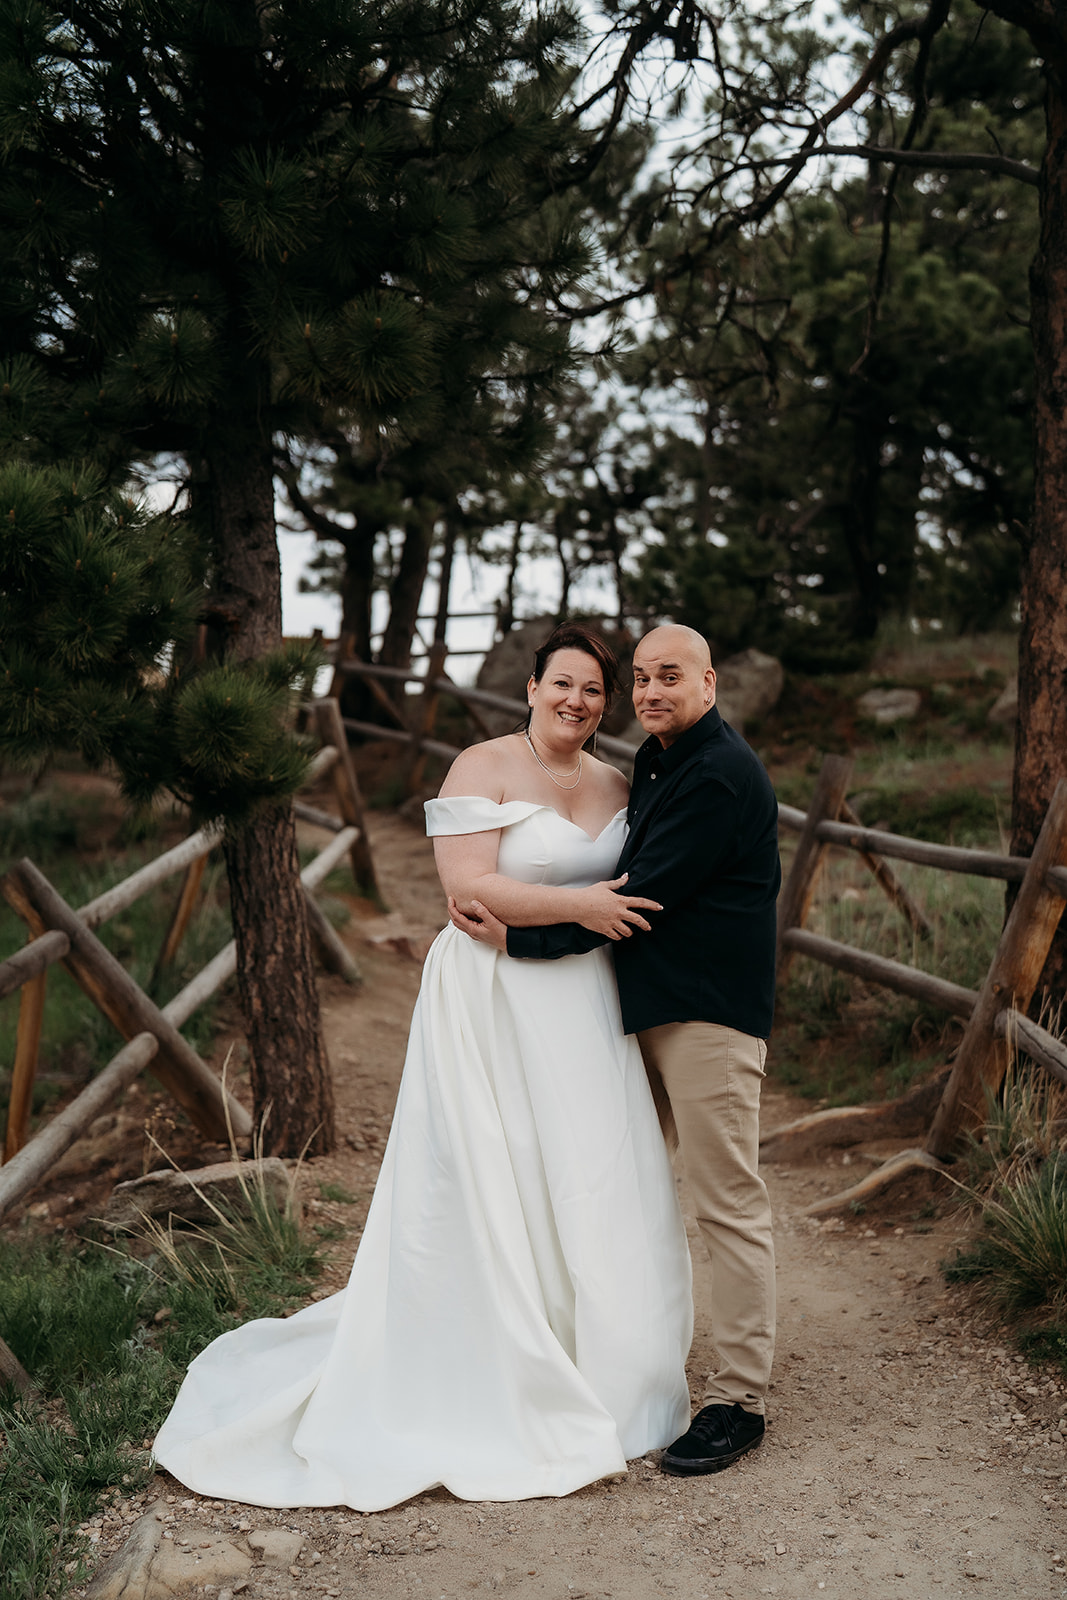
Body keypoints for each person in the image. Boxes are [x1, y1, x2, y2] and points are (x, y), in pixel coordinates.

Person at [151, 623, 695, 1511]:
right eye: (562, 683)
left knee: (595, 1169)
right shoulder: (480, 767)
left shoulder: (617, 781)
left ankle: (607, 1361)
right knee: (502, 1166)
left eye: (594, 690)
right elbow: (468, 889)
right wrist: (580, 902)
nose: (577, 702)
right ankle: (493, 1356)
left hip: (588, 1000)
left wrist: (586, 917)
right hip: (494, 997)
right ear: (530, 688)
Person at [450, 623, 780, 1477]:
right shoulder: (659, 760)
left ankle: (739, 1398)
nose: (650, 691)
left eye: (669, 676)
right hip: (634, 1010)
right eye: (640, 677)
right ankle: (606, 1352)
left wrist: (513, 946)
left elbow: (634, 898)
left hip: (704, 1014)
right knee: (616, 1184)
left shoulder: (714, 772)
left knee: (724, 1200)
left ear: (709, 681)